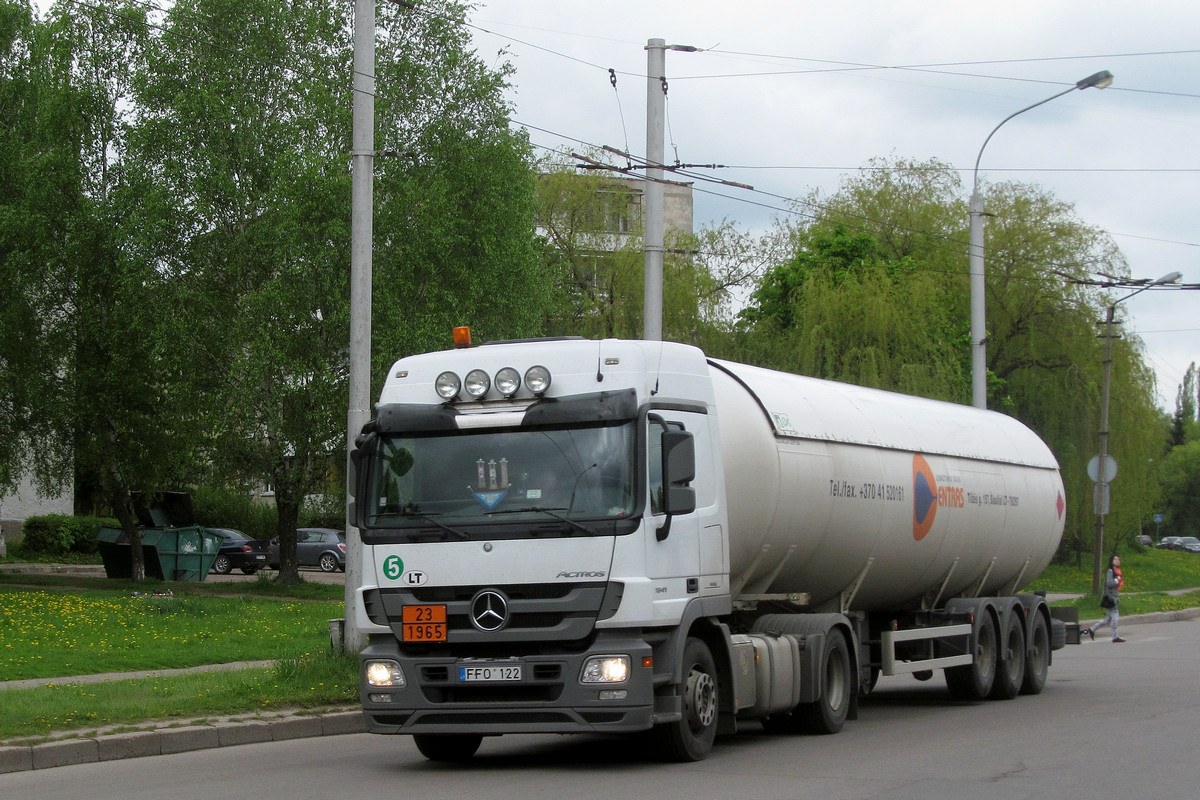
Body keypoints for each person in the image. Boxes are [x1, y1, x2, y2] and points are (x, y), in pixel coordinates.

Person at [1085, 554, 1125, 643]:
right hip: (1110, 598)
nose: (1117, 561)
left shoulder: (1117, 571)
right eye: (1115, 559)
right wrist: (1117, 580)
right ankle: (1115, 637)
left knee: (1109, 619)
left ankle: (1092, 629)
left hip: (1113, 597)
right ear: (1111, 561)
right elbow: (1109, 583)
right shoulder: (1110, 571)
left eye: (1118, 559)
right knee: (1115, 616)